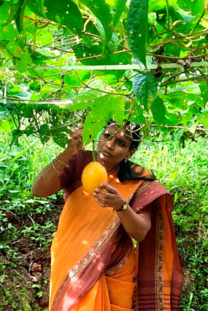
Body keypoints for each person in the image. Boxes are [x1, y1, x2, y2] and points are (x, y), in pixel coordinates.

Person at [32, 120, 184, 311]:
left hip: (114, 270)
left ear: (130, 152)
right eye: (107, 136)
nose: (110, 145)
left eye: (121, 143)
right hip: (70, 261)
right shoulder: (79, 161)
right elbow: (39, 190)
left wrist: (121, 206)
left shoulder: (136, 178)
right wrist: (68, 151)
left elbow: (141, 232)